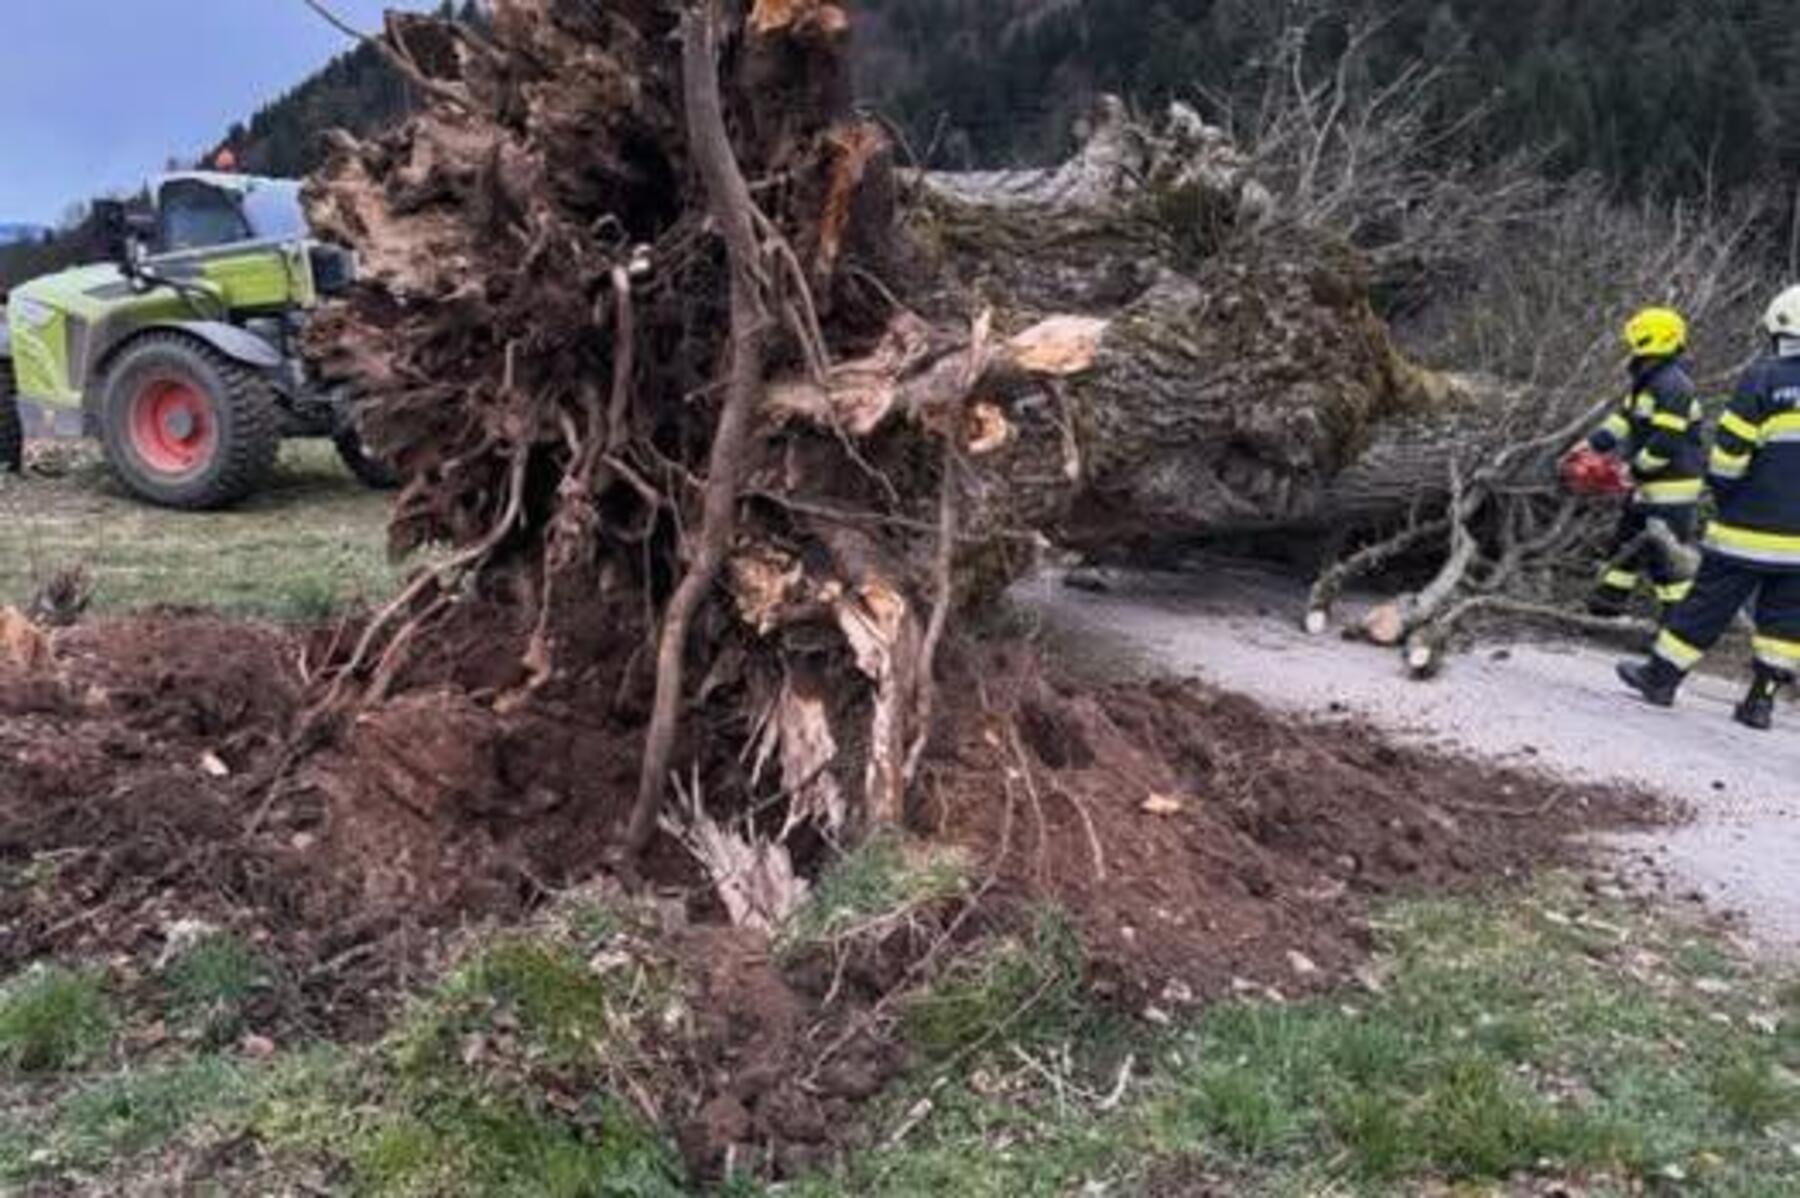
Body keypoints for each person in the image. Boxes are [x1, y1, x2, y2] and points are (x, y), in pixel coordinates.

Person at [1617, 285, 1800, 730]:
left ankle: (1660, 678)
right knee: (1786, 619)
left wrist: (1725, 494)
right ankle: (1761, 702)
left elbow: (1729, 457)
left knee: (1706, 603)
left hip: (1748, 527)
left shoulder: (1765, 377)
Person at [1576, 307, 1705, 617]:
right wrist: (1592, 444)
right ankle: (1606, 605)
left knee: (1665, 558)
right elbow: (1624, 421)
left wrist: (1631, 470)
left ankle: (1678, 624)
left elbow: (1666, 442)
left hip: (1672, 485)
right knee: (1625, 544)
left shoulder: (1674, 385)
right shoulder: (1646, 381)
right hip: (1649, 482)